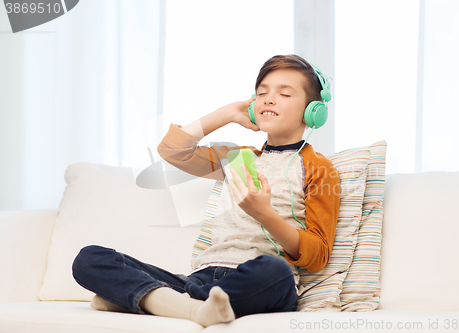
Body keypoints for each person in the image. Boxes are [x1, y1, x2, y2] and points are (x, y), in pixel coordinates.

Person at [72, 54, 341, 327]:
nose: (269, 99)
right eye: (262, 92)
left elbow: (317, 254)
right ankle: (194, 305)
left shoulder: (320, 168)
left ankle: (150, 299)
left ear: (313, 111)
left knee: (276, 272)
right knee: (89, 259)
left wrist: (264, 214)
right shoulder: (237, 157)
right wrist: (227, 114)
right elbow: (172, 151)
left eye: (284, 93)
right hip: (201, 277)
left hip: (257, 277)